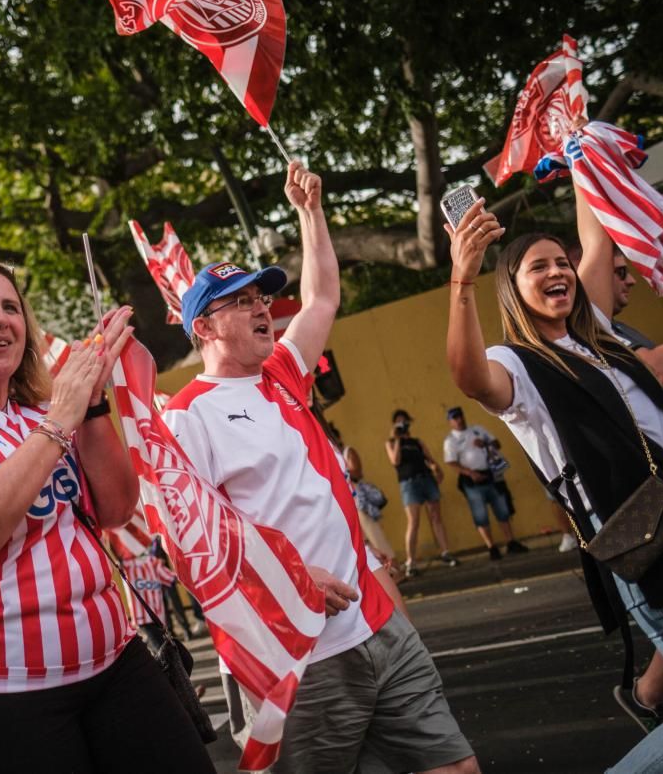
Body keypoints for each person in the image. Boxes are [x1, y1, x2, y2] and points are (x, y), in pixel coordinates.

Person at [445, 199, 663, 772]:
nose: (557, 272)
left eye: (561, 263)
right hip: (648, 524)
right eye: (538, 267)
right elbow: (469, 374)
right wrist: (461, 278)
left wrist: (578, 148)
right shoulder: (517, 362)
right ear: (511, 289)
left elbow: (595, 240)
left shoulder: (595, 335)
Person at [163, 162, 477, 774]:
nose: (262, 309)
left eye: (262, 298)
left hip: (375, 628)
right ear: (203, 327)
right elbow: (193, 548)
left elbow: (323, 296)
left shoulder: (281, 375)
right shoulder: (186, 416)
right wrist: (291, 573)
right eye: (241, 302)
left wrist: (311, 212)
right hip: (292, 657)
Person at [0, 255, 216, 774]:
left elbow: (115, 507)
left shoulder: (44, 412)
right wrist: (60, 420)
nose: (1, 318)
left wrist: (90, 407)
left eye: (11, 307)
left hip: (114, 663)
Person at [442, 407, 528, 560]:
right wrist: (470, 473)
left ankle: (510, 541)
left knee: (502, 509)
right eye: (455, 418)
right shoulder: (451, 440)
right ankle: (491, 547)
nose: (459, 420)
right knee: (480, 515)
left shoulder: (477, 430)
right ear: (450, 422)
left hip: (490, 474)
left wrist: (486, 443)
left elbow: (497, 444)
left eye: (460, 416)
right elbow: (451, 462)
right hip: (471, 480)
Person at [386, 408, 459, 577]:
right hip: (409, 483)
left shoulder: (417, 442)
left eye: (404, 421)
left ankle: (446, 552)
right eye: (399, 422)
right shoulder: (391, 442)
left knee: (436, 517)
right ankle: (411, 561)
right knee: (414, 521)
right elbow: (395, 461)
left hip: (426, 479)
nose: (402, 424)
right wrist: (397, 438)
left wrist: (437, 470)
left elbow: (430, 459)